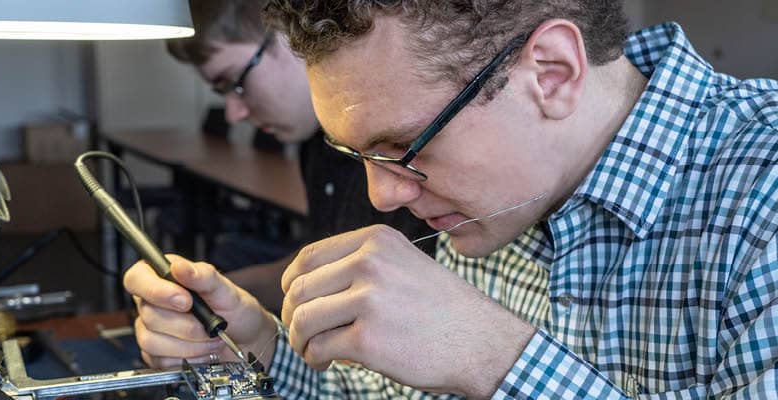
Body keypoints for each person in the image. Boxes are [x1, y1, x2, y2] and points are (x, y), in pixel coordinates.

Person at [126, 0, 778, 398]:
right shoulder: (490, 205)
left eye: (406, 147)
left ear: (551, 73)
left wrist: (495, 358)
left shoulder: (761, 196)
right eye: (360, 158)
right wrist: (253, 347)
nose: (382, 197)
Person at [163, 0, 434, 312]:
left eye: (235, 83)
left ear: (286, 35)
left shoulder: (404, 141)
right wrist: (221, 291)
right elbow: (325, 263)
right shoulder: (315, 145)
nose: (234, 113)